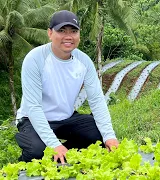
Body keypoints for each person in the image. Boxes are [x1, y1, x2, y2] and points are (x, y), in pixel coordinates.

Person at [15, 10, 119, 164]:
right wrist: (54, 144)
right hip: (32, 118)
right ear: (50, 33)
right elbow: (34, 106)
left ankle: (62, 155)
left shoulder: (84, 61)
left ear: (79, 35)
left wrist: (109, 136)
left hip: (66, 117)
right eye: (62, 31)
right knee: (37, 151)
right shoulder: (35, 59)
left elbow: (97, 100)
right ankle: (24, 165)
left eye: (74, 31)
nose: (68, 36)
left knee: (99, 137)